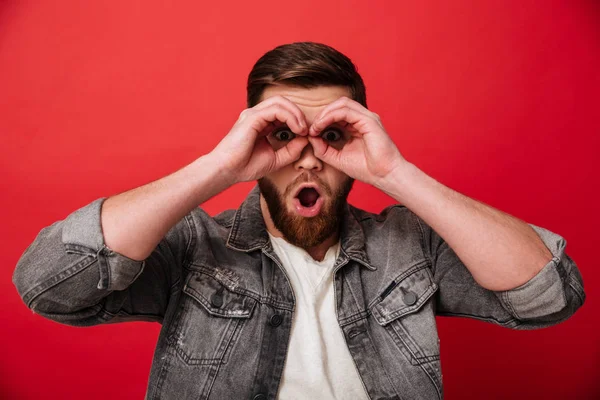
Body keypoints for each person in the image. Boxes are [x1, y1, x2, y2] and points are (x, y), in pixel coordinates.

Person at [13, 42, 585, 400]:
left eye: (332, 137)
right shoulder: (194, 245)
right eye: (283, 136)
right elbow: (48, 286)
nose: (309, 157)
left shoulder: (409, 244)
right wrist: (218, 167)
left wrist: (395, 172)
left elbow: (549, 295)